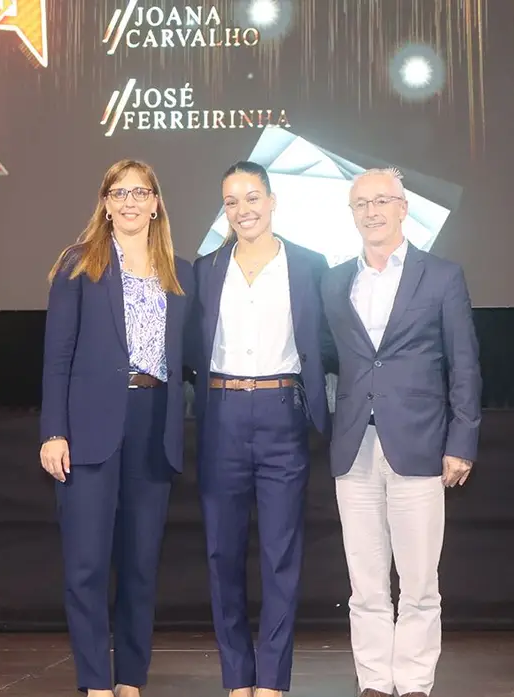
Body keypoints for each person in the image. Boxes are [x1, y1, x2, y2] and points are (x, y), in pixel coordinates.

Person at [321, 167, 482, 697]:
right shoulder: (335, 279)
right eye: (360, 203)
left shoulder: (441, 276)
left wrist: (461, 441)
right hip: (354, 448)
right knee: (364, 583)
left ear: (403, 207)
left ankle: (413, 683)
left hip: (420, 444)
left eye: (381, 201)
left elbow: (464, 365)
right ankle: (373, 682)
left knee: (418, 582)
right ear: (352, 214)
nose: (371, 212)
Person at [39, 159, 195, 697]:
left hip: (154, 425)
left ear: (156, 203)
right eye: (118, 192)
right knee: (86, 564)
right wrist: (52, 430)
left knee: (140, 566)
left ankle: (130, 679)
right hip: (88, 429)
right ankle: (94, 683)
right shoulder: (79, 265)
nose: (130, 202)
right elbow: (56, 357)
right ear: (105, 203)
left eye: (140, 192)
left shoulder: (181, 272)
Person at [187, 161, 334, 697]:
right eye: (231, 201)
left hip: (281, 412)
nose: (243, 209)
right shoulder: (204, 270)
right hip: (222, 414)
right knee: (222, 553)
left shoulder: (311, 265)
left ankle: (271, 681)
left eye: (252, 197)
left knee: (280, 553)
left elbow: (330, 342)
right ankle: (236, 679)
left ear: (272, 202)